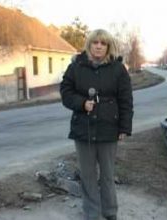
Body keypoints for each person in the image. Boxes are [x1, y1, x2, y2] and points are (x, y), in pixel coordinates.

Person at [60, 29, 133, 220]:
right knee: (88, 175)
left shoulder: (118, 69)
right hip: (83, 128)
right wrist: (82, 103)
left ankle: (110, 213)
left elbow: (126, 100)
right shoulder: (76, 66)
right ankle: (92, 213)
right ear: (89, 44)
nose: (99, 46)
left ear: (108, 47)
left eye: (103, 43)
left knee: (107, 175)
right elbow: (65, 92)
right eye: (95, 42)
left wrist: (124, 127)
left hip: (109, 129)